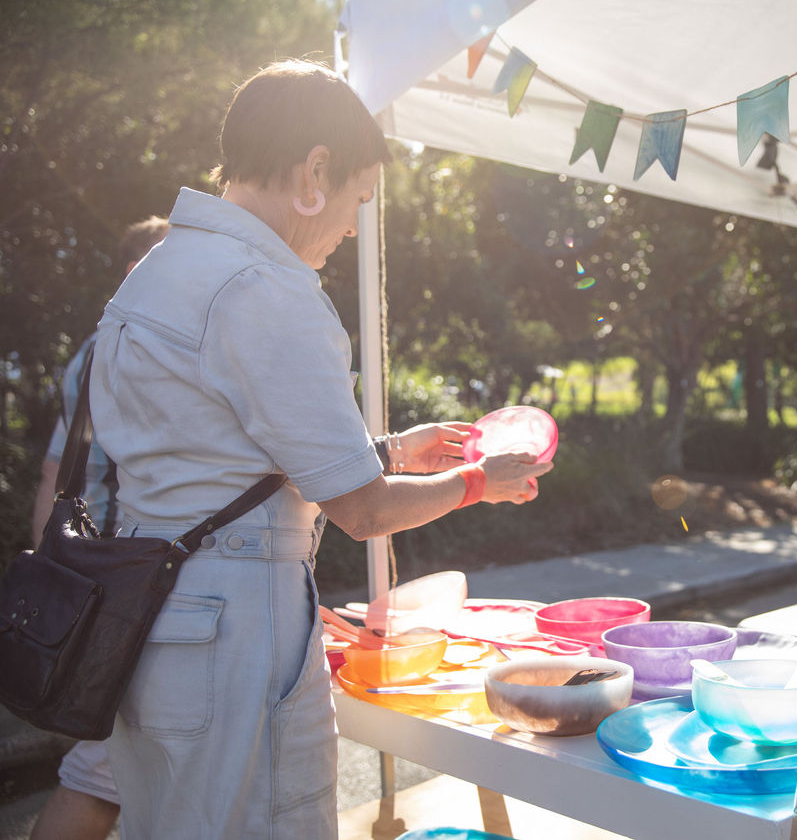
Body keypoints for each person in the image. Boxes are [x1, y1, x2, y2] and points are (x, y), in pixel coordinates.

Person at [85, 59, 553, 838]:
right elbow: (364, 509)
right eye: (355, 202)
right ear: (315, 171)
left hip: (154, 620)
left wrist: (393, 449)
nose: (346, 229)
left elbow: (229, 455)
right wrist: (479, 482)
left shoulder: (158, 271)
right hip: (234, 631)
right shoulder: (265, 287)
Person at [28, 215, 170, 840]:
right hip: (131, 575)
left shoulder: (91, 350)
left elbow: (55, 471)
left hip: (93, 572)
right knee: (99, 773)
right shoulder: (148, 348)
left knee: (113, 767)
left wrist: (51, 569)